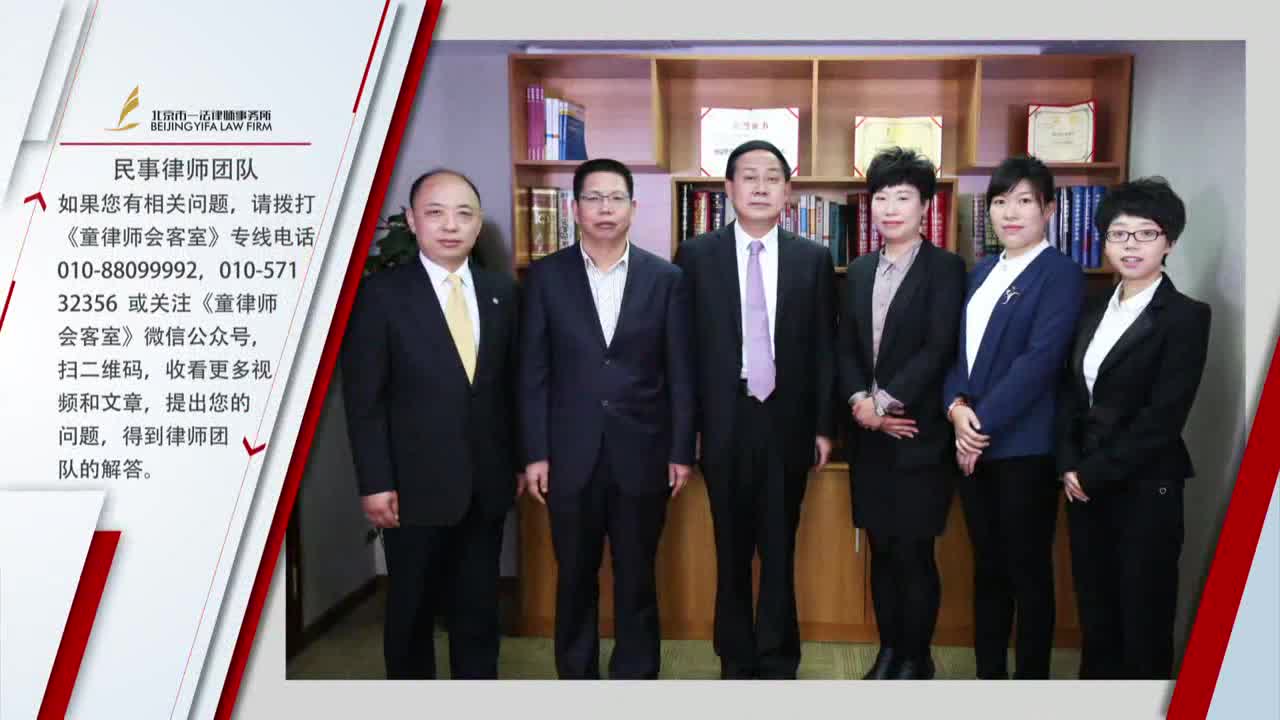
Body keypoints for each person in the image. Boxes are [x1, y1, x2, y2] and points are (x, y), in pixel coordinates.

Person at [341, 169, 520, 679]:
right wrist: (375, 482)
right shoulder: (380, 295)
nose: (450, 225)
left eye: (464, 214)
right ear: (412, 220)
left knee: (478, 613)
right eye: (436, 213)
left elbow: (511, 390)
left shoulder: (502, 293)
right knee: (412, 612)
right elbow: (365, 400)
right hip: (411, 489)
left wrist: (517, 462)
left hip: (485, 485)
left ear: (479, 223)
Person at [520, 157, 695, 679]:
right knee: (574, 576)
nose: (605, 208)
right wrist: (535, 452)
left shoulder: (666, 278)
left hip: (643, 454)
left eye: (615, 198)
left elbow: (681, 373)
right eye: (593, 198)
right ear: (574, 209)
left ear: (633, 208)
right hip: (568, 455)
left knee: (637, 577)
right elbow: (532, 372)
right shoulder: (546, 277)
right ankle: (578, 680)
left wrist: (681, 450)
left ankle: (634, 680)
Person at [674, 139, 836, 680]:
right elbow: (683, 352)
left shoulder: (812, 259)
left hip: (787, 420)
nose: (761, 187)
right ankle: (736, 658)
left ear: (788, 191)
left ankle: (778, 657)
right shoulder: (696, 256)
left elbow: (824, 348)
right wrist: (689, 430)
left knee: (780, 544)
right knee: (731, 545)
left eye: (772, 177)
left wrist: (823, 427)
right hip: (723, 419)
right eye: (749, 176)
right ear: (728, 189)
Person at [1056, 177, 1210, 679]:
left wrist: (1093, 472)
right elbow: (1070, 394)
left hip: (1146, 486)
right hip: (1084, 486)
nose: (1131, 245)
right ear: (1104, 242)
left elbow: (1164, 417)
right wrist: (1069, 465)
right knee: (1096, 612)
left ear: (1170, 242)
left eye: (1146, 233)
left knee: (1143, 618)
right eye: (1119, 234)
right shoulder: (1092, 308)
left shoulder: (1186, 317)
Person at [942, 155, 1084, 679]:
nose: (1011, 213)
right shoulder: (982, 271)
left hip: (1024, 448)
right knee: (988, 568)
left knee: (1028, 574)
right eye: (1000, 202)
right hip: (973, 444)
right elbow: (959, 354)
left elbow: (1040, 362)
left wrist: (976, 427)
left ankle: (1030, 686)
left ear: (1048, 209)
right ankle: (989, 678)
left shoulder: (1060, 274)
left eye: (1024, 201)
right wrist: (955, 407)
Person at [837, 148, 966, 680]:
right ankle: (888, 650)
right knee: (883, 550)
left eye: (903, 197)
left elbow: (938, 349)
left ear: (925, 206)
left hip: (918, 436)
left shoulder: (946, 269)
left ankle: (917, 656)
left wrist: (884, 403)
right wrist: (859, 404)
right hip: (868, 438)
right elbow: (845, 347)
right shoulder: (860, 269)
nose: (890, 208)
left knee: (914, 552)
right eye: (881, 197)